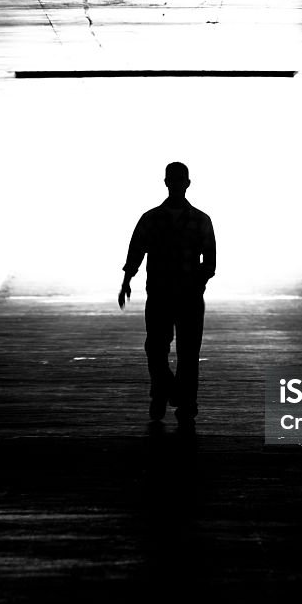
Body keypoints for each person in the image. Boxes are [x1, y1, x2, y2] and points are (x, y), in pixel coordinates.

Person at [119, 162, 216, 423]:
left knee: (178, 351)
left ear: (184, 183)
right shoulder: (194, 219)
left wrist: (127, 280)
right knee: (162, 349)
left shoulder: (157, 218)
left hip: (178, 294)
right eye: (173, 180)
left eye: (177, 180)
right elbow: (136, 250)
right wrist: (126, 280)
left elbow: (210, 262)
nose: (175, 184)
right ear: (170, 183)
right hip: (171, 295)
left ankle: (170, 397)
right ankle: (178, 396)